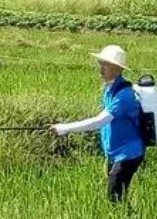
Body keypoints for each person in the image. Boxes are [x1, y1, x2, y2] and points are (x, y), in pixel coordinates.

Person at [50, 45, 145, 203]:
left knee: (114, 199)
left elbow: (99, 121)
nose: (100, 68)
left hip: (128, 154)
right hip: (116, 153)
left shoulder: (124, 96)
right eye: (100, 63)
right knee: (117, 197)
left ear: (117, 68)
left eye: (105, 64)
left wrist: (63, 128)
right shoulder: (109, 90)